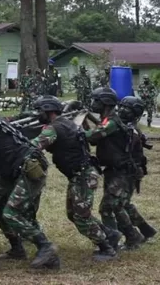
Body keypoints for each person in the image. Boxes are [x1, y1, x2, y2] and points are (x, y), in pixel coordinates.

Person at [0, 103, 59, 269]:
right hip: (11, 170)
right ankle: (16, 249)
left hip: (27, 168)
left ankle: (45, 246)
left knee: (11, 213)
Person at [31, 95, 118, 261]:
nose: (37, 114)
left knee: (81, 218)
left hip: (83, 175)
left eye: (39, 110)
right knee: (73, 213)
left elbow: (34, 145)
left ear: (49, 111)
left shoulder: (54, 128)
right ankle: (110, 234)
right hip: (80, 174)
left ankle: (107, 248)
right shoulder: (66, 122)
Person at [86, 87, 146, 250]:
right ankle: (132, 237)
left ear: (105, 102)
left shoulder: (112, 122)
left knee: (109, 207)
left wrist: (75, 128)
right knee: (114, 206)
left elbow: (92, 136)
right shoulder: (109, 120)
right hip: (113, 170)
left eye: (96, 100)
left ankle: (122, 239)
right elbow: (95, 138)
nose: (93, 103)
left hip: (122, 172)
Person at [118, 96, 158, 243]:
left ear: (135, 112)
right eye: (121, 106)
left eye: (127, 109)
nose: (122, 110)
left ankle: (134, 236)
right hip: (129, 170)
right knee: (124, 203)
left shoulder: (131, 130)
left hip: (130, 171)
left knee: (118, 205)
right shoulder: (125, 126)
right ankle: (146, 229)